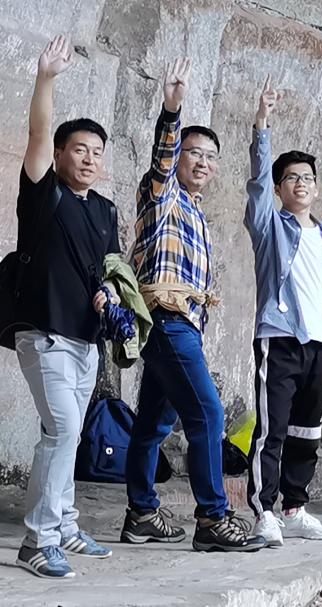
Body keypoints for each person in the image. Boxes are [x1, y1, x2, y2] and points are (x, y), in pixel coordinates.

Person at [123, 59, 266, 553]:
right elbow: (162, 157)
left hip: (182, 325)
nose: (202, 162)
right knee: (207, 414)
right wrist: (172, 110)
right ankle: (212, 519)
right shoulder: (161, 194)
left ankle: (141, 513)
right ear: (178, 157)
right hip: (167, 320)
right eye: (193, 153)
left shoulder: (196, 212)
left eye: (210, 156)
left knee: (153, 423)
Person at [10, 35, 120, 578]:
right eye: (79, 149)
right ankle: (37, 540)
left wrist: (112, 294)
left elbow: (113, 271)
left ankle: (66, 525)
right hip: (45, 333)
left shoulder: (104, 210)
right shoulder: (43, 193)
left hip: (86, 340)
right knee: (62, 432)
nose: (89, 159)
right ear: (58, 155)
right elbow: (36, 132)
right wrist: (46, 78)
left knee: (68, 434)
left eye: (97, 152)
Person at [244, 77, 322, 545]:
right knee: (272, 430)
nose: (301, 184)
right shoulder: (270, 225)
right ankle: (263, 511)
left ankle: (294, 507)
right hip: (279, 338)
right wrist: (262, 126)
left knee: (307, 432)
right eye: (292, 178)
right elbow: (257, 186)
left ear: (317, 188)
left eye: (307, 178)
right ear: (280, 188)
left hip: (317, 345)